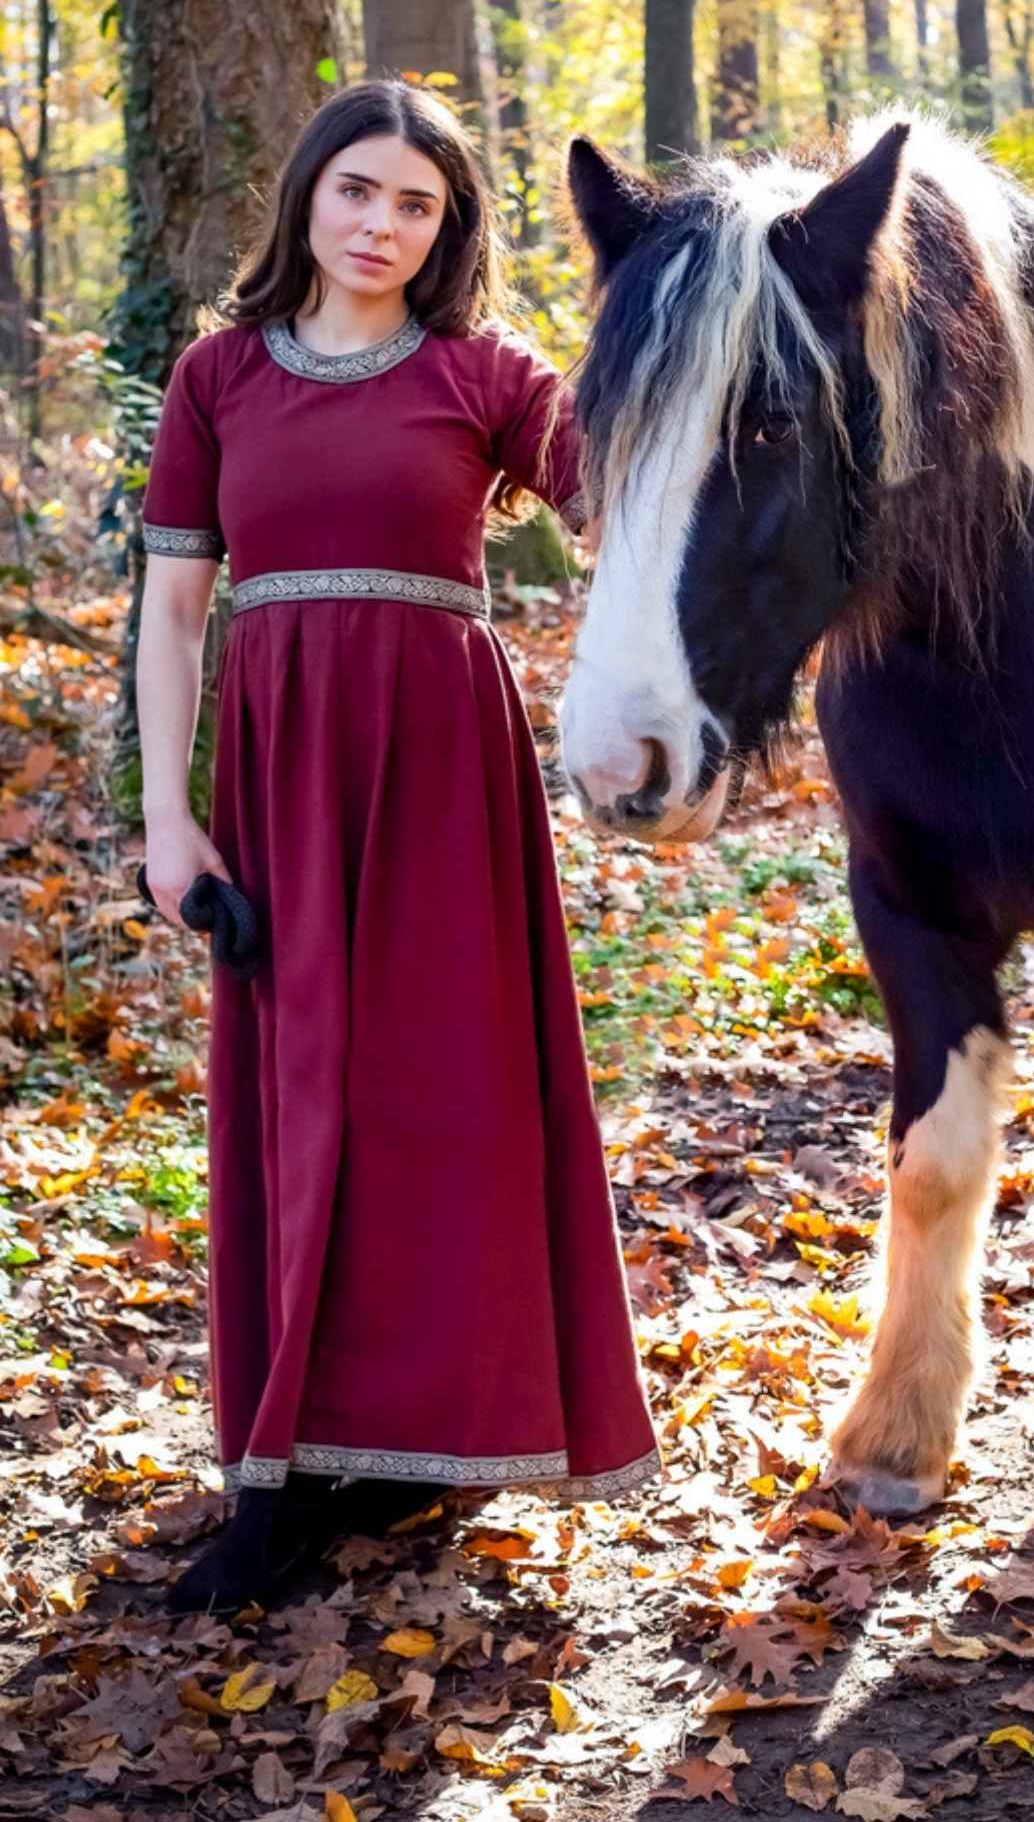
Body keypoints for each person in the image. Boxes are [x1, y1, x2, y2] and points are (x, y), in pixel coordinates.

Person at [135, 78, 659, 1615]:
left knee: (441, 1093)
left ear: (449, 230)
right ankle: (282, 1462)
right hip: (281, 777)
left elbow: (649, 501)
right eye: (358, 189)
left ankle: (425, 1440)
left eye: (416, 204)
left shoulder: (488, 375)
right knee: (298, 1100)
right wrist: (175, 821)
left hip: (443, 771)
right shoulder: (218, 376)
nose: (381, 224)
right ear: (307, 194)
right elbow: (172, 616)